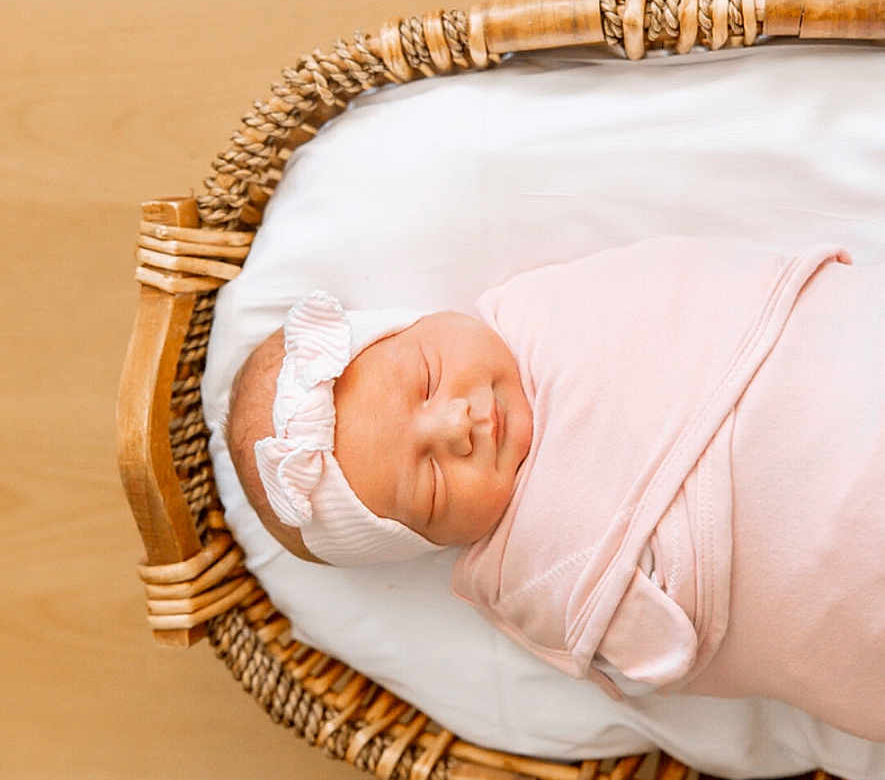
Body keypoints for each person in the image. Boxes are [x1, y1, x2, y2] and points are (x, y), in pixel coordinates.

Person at [224, 235, 885, 742]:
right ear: (431, 541)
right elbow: (653, 650)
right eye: (429, 481)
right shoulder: (523, 578)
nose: (456, 424)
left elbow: (694, 285)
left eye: (426, 378)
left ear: (425, 324)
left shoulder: (557, 311)